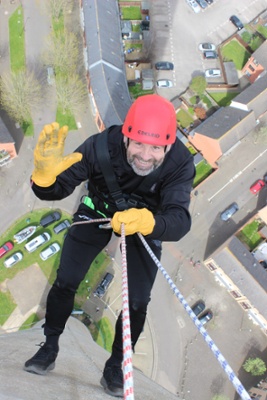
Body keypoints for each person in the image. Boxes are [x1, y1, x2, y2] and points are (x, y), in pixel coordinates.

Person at [24, 94, 195, 397]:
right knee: (66, 280)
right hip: (98, 209)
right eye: (138, 143)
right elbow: (59, 187)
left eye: (156, 148)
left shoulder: (179, 164)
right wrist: (43, 179)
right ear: (126, 135)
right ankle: (49, 346)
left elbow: (179, 220)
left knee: (138, 303)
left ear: (168, 146)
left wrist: (148, 223)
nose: (145, 155)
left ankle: (116, 364)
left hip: (144, 223)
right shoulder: (100, 146)